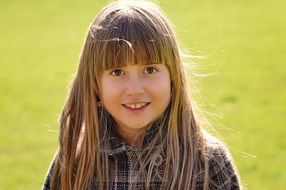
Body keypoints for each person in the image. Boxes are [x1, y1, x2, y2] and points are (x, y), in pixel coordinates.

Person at [43, 0, 241, 189]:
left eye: (150, 70)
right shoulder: (74, 163)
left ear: (174, 77)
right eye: (117, 72)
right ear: (94, 85)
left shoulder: (208, 162)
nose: (135, 89)